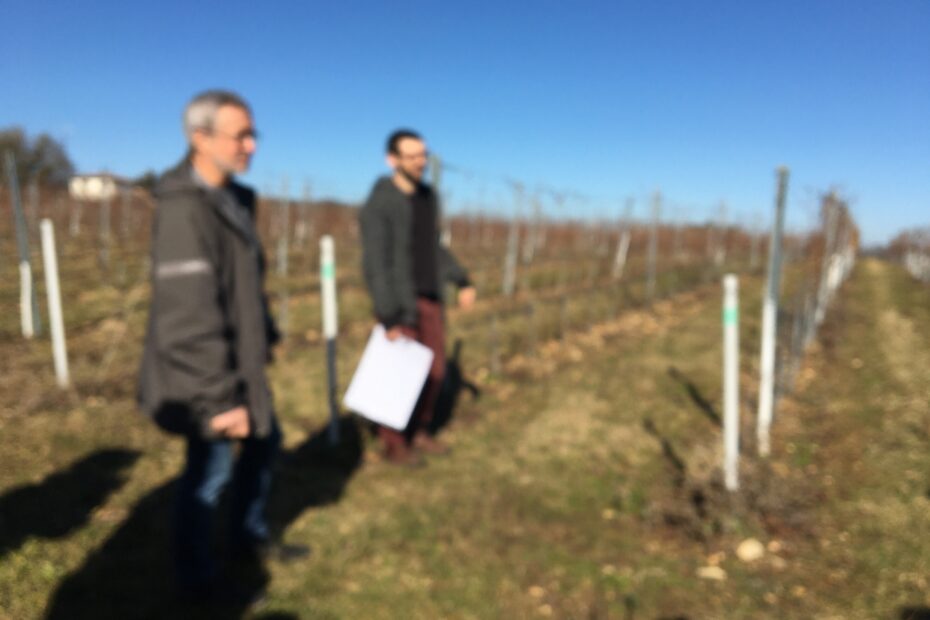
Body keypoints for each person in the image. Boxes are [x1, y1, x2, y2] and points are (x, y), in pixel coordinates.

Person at [137, 90, 306, 602]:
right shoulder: (184, 210)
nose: (252, 146)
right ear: (200, 138)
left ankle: (246, 537)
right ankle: (197, 581)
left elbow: (242, 284)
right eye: (241, 136)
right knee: (209, 472)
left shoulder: (233, 200)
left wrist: (265, 333)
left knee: (264, 444)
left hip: (241, 361)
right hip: (205, 374)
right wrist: (218, 398)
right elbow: (189, 316)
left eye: (254, 135)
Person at [359, 129, 476, 466]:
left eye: (422, 155)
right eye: (411, 156)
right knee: (399, 374)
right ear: (392, 160)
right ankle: (394, 442)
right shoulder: (380, 203)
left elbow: (434, 247)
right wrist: (388, 314)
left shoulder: (428, 197)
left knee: (435, 372)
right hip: (400, 301)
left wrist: (461, 278)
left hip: (430, 297)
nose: (419, 162)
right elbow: (375, 261)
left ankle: (420, 429)